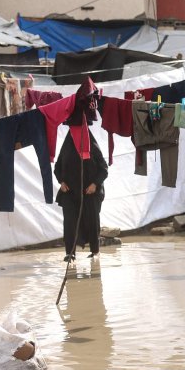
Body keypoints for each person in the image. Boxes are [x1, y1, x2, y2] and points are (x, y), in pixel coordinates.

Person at [55, 80, 107, 262]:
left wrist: (94, 184)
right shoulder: (68, 146)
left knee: (92, 221)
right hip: (69, 192)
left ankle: (95, 251)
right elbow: (57, 168)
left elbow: (103, 169)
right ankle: (70, 253)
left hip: (89, 192)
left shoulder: (91, 145)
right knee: (69, 223)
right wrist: (61, 182)